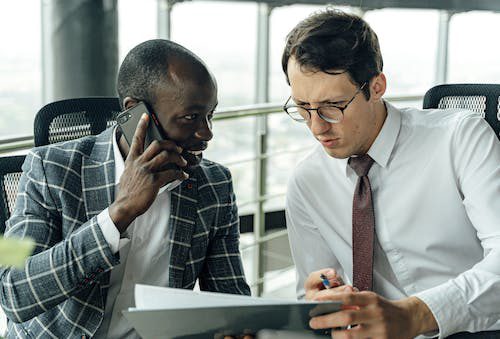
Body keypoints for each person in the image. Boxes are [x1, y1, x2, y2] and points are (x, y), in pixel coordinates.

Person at [0, 39, 250, 338]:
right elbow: (13, 292)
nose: (207, 133)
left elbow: (229, 298)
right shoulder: (48, 167)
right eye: (191, 117)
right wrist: (118, 214)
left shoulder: (214, 184)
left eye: (210, 115)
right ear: (137, 113)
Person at [282, 9, 500, 339]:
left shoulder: (460, 137)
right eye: (302, 108)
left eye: (333, 106)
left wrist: (415, 315)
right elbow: (311, 294)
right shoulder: (307, 182)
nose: (316, 126)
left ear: (377, 86)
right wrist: (323, 299)